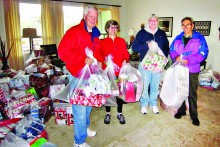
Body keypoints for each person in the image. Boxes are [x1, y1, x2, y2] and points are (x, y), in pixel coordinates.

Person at [58, 5, 101, 147]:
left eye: (95, 17)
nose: (93, 20)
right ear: (84, 16)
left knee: (88, 107)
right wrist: (82, 59)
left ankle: (85, 128)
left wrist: (97, 60)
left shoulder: (96, 33)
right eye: (90, 17)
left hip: (91, 76)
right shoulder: (74, 32)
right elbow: (62, 52)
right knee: (80, 109)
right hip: (77, 76)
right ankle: (79, 141)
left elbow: (96, 52)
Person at [170, 17, 209, 126]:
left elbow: (203, 53)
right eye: (183, 25)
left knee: (192, 93)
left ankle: (194, 116)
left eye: (187, 24)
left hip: (192, 69)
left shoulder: (199, 38)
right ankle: (181, 111)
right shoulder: (178, 38)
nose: (185, 27)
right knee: (180, 90)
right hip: (180, 68)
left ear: (192, 25)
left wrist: (189, 61)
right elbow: (172, 49)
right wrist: (175, 56)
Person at [132, 14, 169, 114]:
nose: (153, 22)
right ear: (148, 22)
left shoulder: (162, 33)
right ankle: (144, 105)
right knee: (144, 85)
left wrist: (163, 63)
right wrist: (146, 45)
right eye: (151, 20)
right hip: (144, 64)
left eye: (155, 20)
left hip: (157, 64)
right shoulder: (141, 33)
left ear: (157, 22)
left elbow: (166, 47)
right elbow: (134, 47)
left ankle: (153, 104)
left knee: (155, 85)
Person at [96, 20, 130, 124]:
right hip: (108, 72)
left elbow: (126, 54)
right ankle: (107, 113)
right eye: (111, 27)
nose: (113, 30)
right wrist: (103, 60)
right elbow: (98, 54)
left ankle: (119, 113)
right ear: (107, 29)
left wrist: (125, 60)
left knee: (120, 94)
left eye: (115, 27)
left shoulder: (121, 40)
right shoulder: (102, 42)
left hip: (120, 72)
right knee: (108, 93)